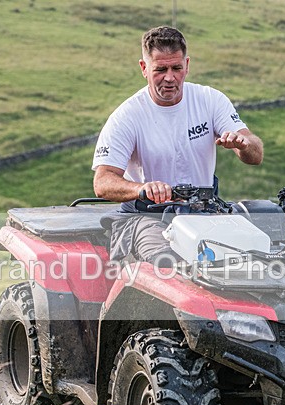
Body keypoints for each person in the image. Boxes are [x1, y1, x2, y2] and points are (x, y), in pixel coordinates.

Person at [92, 26, 263, 263]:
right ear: (144, 68)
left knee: (258, 252)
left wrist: (243, 145)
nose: (170, 78)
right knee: (169, 264)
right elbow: (102, 182)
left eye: (177, 68)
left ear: (187, 65)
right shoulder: (127, 116)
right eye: (160, 69)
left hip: (205, 212)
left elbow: (255, 154)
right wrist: (143, 189)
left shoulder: (210, 100)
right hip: (147, 217)